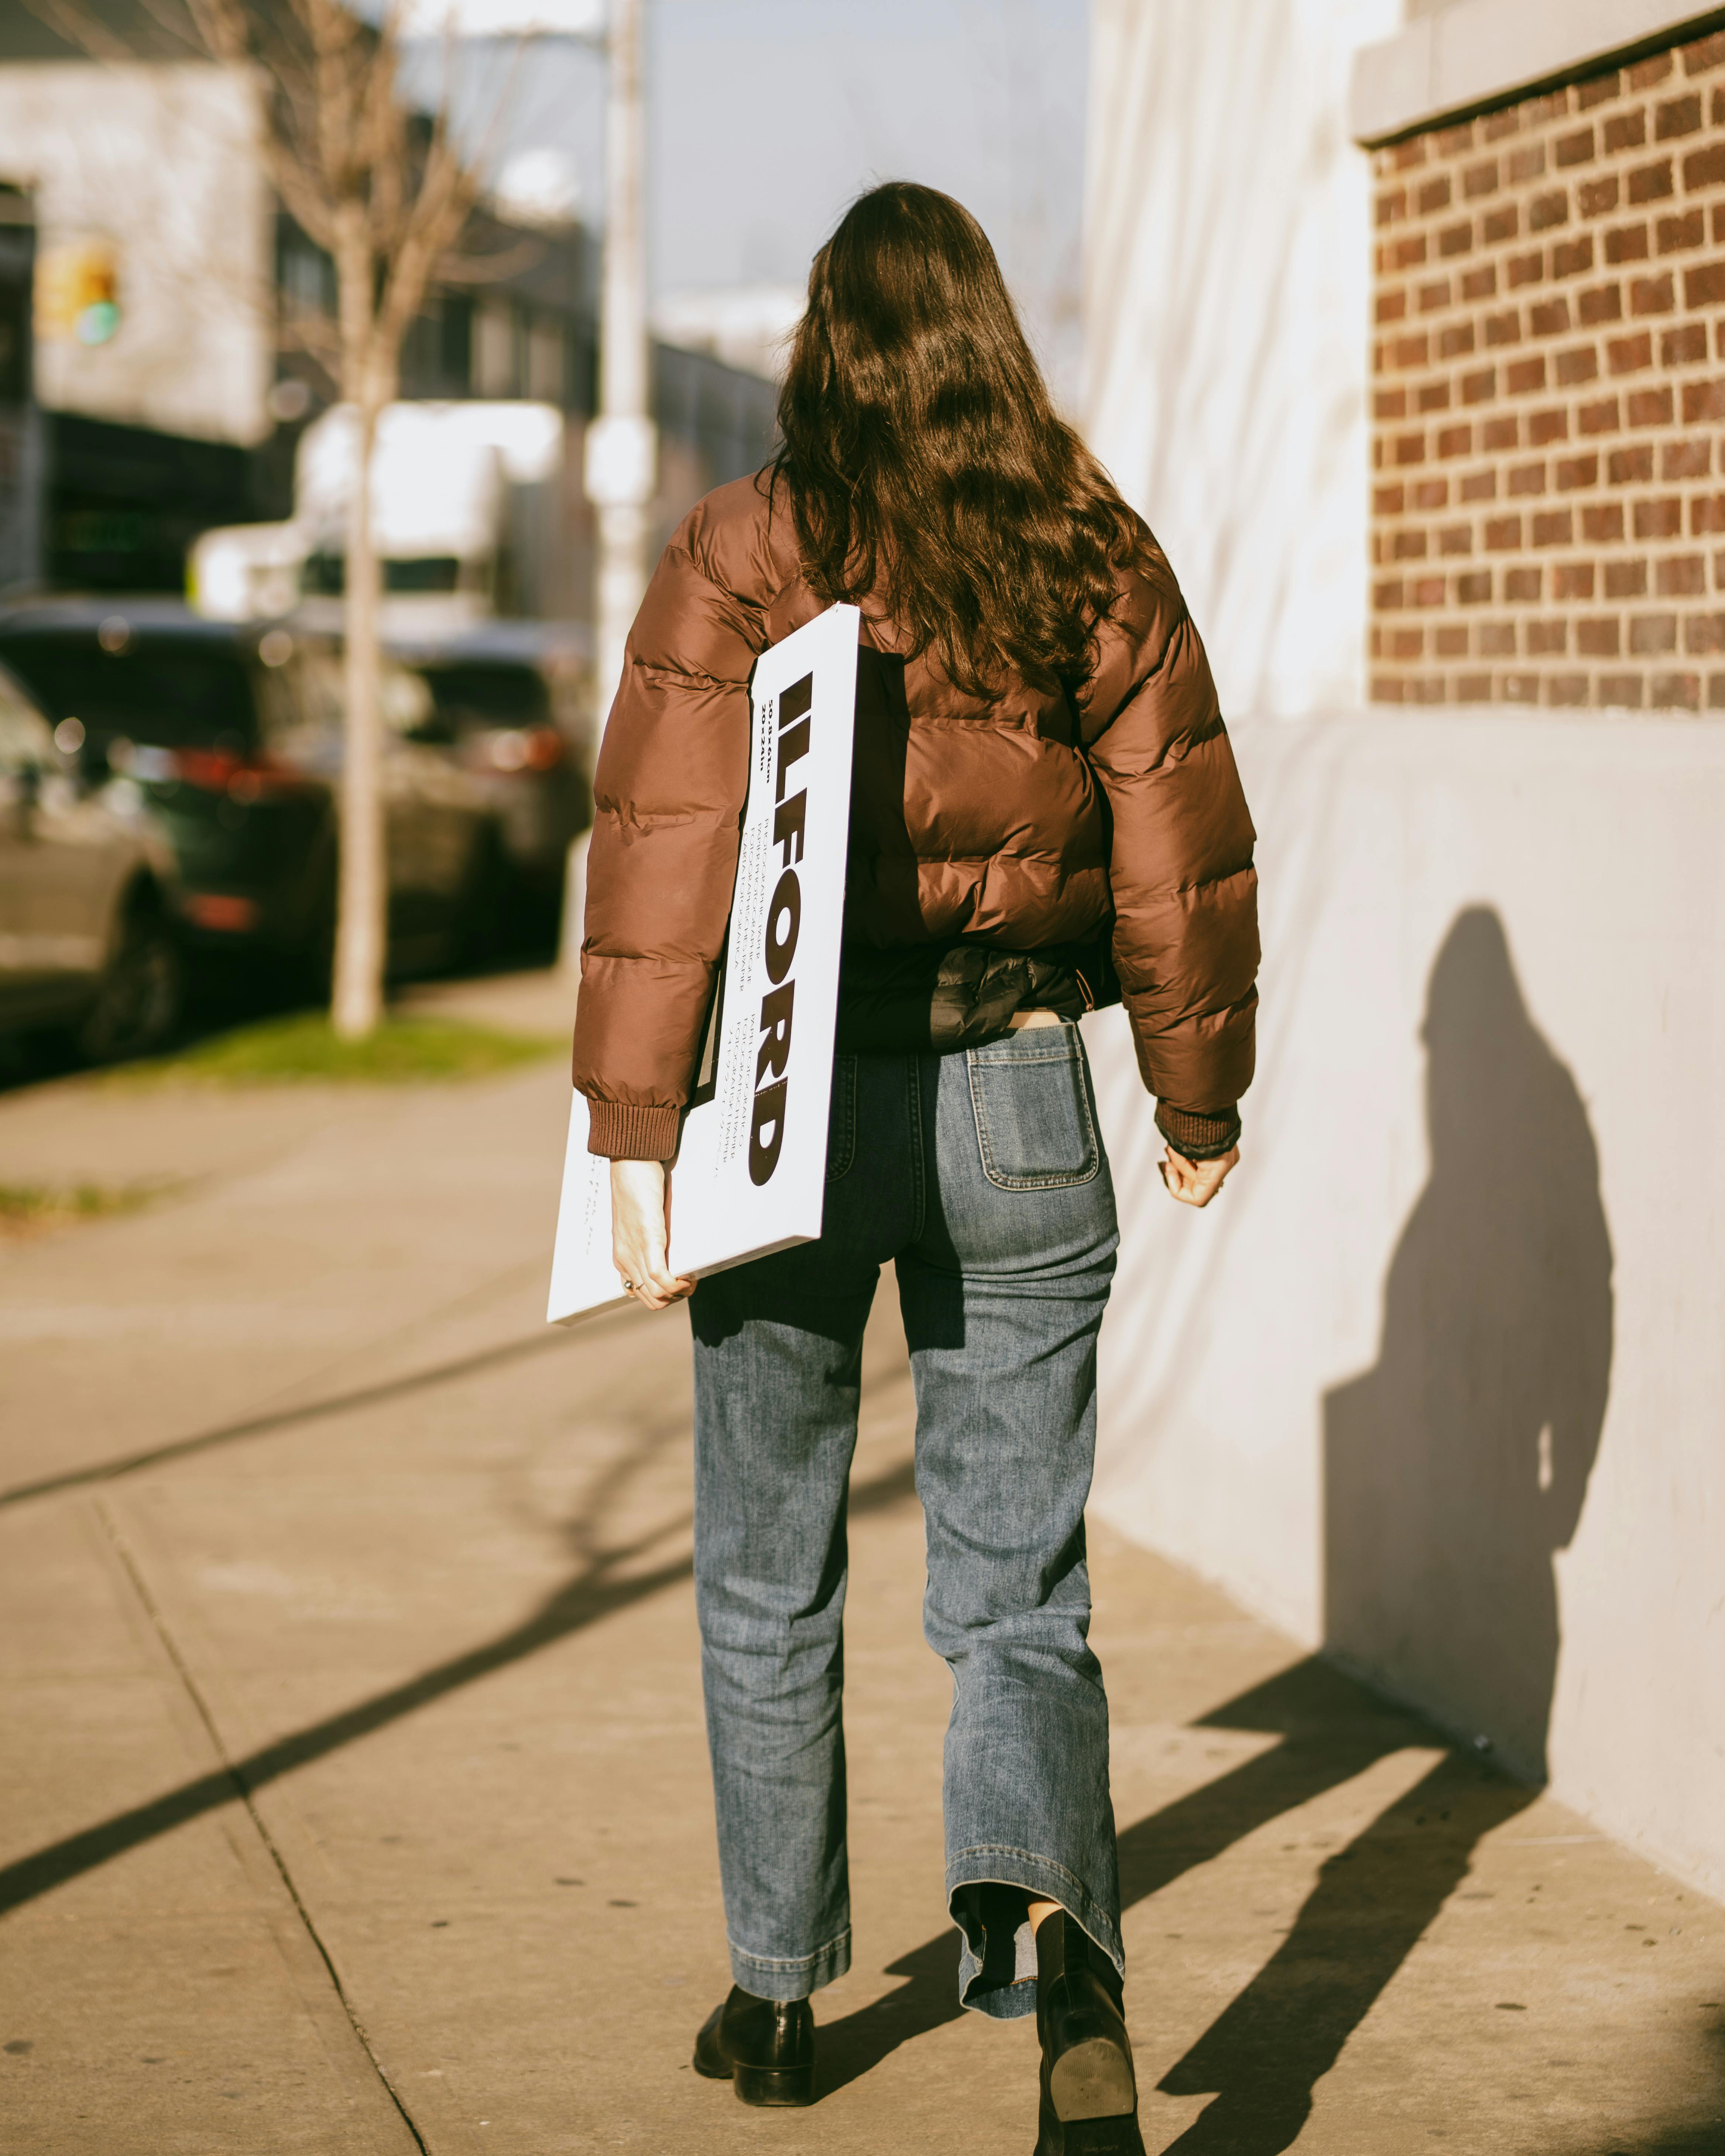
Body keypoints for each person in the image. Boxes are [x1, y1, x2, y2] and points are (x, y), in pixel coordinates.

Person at [570, 182, 1258, 2156]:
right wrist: (1198, 1105)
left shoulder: (743, 549)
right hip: (1025, 1099)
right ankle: (1065, 1980)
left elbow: (663, 846)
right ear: (984, 341)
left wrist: (632, 1132)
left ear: (821, 341)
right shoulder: (1088, 552)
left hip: (790, 1115)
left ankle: (782, 1998)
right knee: (1017, 1588)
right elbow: (1178, 836)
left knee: (769, 1566)